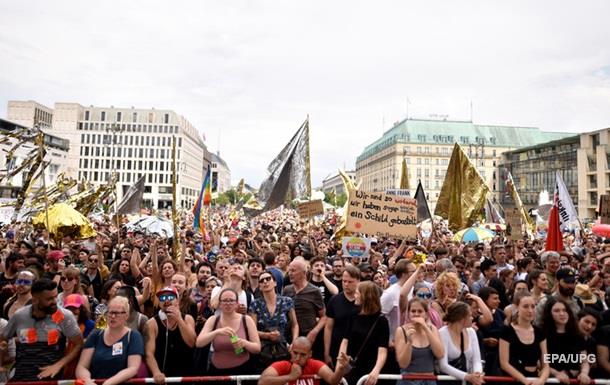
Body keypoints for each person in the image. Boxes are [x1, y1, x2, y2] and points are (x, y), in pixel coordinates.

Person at [0, 278, 83, 381]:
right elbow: (3, 339)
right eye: (49, 299)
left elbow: (79, 344)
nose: (54, 302)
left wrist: (58, 365)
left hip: (50, 378)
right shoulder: (20, 315)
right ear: (35, 299)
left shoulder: (64, 316)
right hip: (22, 376)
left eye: (55, 297)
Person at [76, 296, 144, 385]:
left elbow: (133, 368)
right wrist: (87, 381)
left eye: (117, 313)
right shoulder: (96, 335)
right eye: (110, 312)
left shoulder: (133, 336)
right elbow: (81, 366)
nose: (112, 316)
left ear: (126, 316)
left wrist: (108, 383)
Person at [196, 288, 261, 378]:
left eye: (231, 300)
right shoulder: (213, 320)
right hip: (217, 371)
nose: (228, 304)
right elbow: (199, 343)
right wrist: (216, 332)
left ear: (237, 303)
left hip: (242, 370)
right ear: (220, 304)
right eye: (225, 301)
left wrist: (244, 343)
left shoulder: (246, 320)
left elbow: (257, 348)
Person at [339, 281, 389, 385]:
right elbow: (345, 341)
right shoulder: (353, 314)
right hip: (352, 368)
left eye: (357, 293)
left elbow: (382, 350)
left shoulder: (381, 320)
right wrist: (339, 366)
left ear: (366, 296)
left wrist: (376, 370)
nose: (354, 295)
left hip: (371, 370)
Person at [249, 270, 299, 371]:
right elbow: (252, 330)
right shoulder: (255, 304)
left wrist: (294, 342)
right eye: (262, 280)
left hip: (283, 348)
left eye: (268, 279)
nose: (265, 282)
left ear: (275, 283)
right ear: (259, 286)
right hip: (262, 351)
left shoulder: (286, 301)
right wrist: (266, 335)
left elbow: (295, 325)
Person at [145, 286, 196, 383]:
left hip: (185, 375)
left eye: (170, 297)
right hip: (163, 376)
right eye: (163, 298)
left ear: (177, 301)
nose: (167, 300)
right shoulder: (152, 323)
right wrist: (156, 372)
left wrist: (179, 319)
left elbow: (191, 343)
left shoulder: (187, 319)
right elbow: (149, 353)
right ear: (159, 303)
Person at [499, 292, 549, 384]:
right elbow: (504, 363)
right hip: (513, 380)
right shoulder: (506, 331)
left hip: (534, 380)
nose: (530, 310)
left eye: (533, 306)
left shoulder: (540, 332)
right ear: (517, 307)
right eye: (525, 306)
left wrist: (541, 380)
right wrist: (525, 380)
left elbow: (546, 364)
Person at [258, 336, 350, 385]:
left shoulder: (314, 364)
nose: (298, 358)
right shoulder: (283, 365)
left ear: (310, 354)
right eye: (295, 353)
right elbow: (262, 382)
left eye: (303, 355)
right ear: (290, 350)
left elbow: (333, 380)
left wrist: (341, 369)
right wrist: (290, 377)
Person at [540, 297, 590, 384]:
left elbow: (584, 361)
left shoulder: (577, 335)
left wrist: (584, 373)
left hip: (574, 381)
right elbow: (540, 363)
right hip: (552, 381)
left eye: (564, 310)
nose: (562, 314)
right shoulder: (542, 335)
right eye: (557, 311)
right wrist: (556, 373)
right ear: (549, 314)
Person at [283, 259, 326, 360]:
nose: (290, 274)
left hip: (308, 337)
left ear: (303, 273)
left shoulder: (314, 291)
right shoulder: (287, 290)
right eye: (289, 271)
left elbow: (324, 316)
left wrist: (314, 332)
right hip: (291, 336)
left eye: (293, 271)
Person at [395, 298, 444, 385]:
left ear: (426, 314)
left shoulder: (432, 329)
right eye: (413, 311)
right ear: (408, 313)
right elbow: (403, 364)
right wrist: (409, 342)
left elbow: (440, 354)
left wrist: (425, 327)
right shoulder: (401, 330)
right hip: (408, 380)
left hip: (429, 380)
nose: (416, 314)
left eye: (420, 311)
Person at [438, 301, 484, 385]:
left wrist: (477, 373)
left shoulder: (471, 332)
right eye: (469, 316)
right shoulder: (442, 333)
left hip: (469, 380)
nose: (472, 318)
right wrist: (466, 376)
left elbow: (477, 360)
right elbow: (443, 365)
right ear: (462, 319)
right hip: (449, 381)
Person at [324, 264, 360, 367]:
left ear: (358, 281)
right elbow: (328, 327)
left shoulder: (363, 302)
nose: (346, 284)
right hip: (337, 349)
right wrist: (326, 353)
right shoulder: (334, 300)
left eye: (350, 282)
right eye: (344, 281)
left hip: (358, 350)